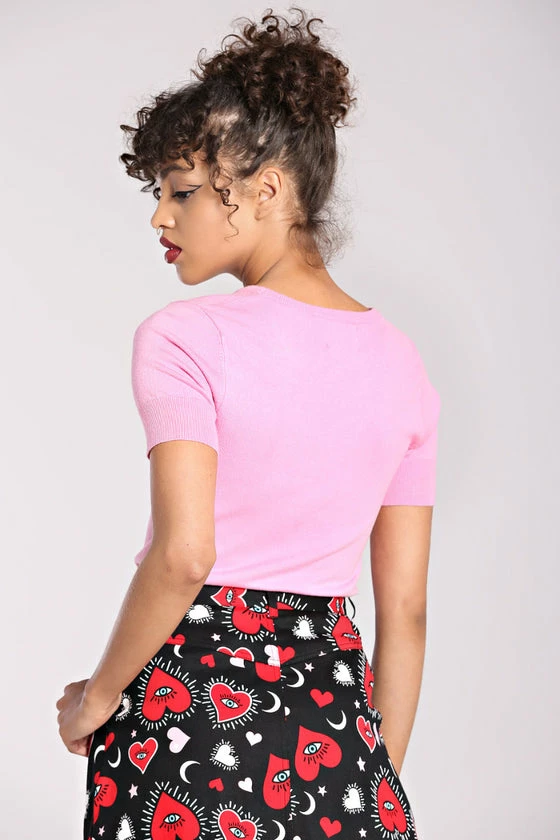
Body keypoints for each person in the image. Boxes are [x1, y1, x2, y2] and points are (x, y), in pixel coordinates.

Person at [56, 8, 440, 840]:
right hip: (335, 735)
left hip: (185, 722)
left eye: (183, 190)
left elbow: (185, 555)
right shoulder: (403, 363)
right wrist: (373, 783)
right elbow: (405, 611)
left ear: (266, 190)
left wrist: (95, 699)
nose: (160, 217)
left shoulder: (185, 338)